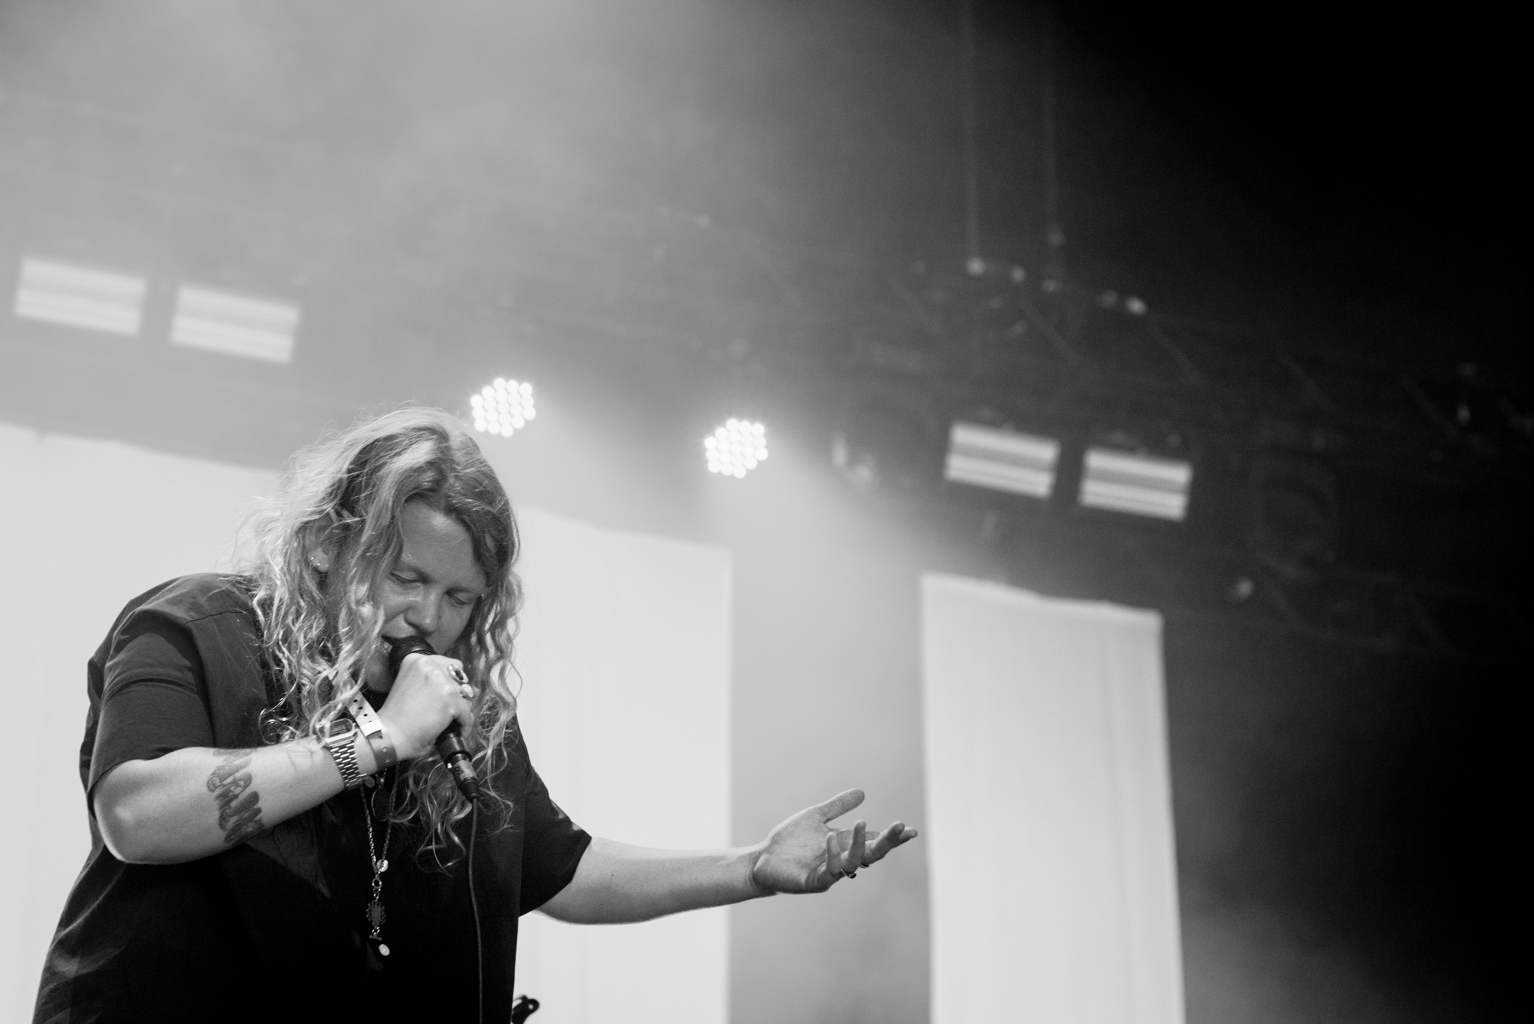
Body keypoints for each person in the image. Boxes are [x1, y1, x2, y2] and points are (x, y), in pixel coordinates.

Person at [33, 408, 917, 1024]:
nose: (428, 617)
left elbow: (561, 870)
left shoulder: (464, 722)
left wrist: (751, 867)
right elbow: (139, 815)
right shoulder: (202, 624)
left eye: (460, 597)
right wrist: (379, 739)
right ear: (329, 544)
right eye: (406, 578)